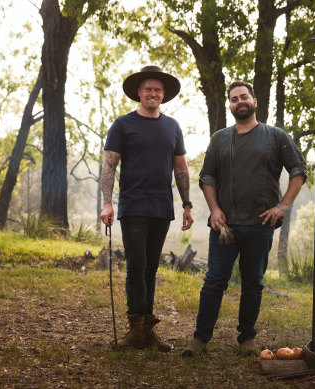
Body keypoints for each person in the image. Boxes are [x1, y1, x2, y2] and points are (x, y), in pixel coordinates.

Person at [182, 80, 307, 356]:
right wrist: (214, 209)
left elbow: (298, 171)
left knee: (253, 283)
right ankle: (200, 338)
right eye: (234, 98)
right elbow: (207, 177)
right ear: (230, 105)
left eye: (244, 97)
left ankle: (247, 337)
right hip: (224, 227)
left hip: (260, 225)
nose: (240, 101)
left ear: (254, 102)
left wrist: (282, 207)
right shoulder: (219, 139)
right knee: (214, 280)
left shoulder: (275, 136)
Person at [100, 65, 193, 351]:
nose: (152, 93)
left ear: (163, 95)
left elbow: (180, 168)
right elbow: (109, 164)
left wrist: (187, 204)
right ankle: (135, 330)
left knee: (151, 268)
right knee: (136, 266)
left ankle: (148, 330)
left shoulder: (172, 126)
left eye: (157, 90)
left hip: (162, 207)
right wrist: (106, 202)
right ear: (139, 93)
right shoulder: (123, 125)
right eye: (148, 89)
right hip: (133, 206)